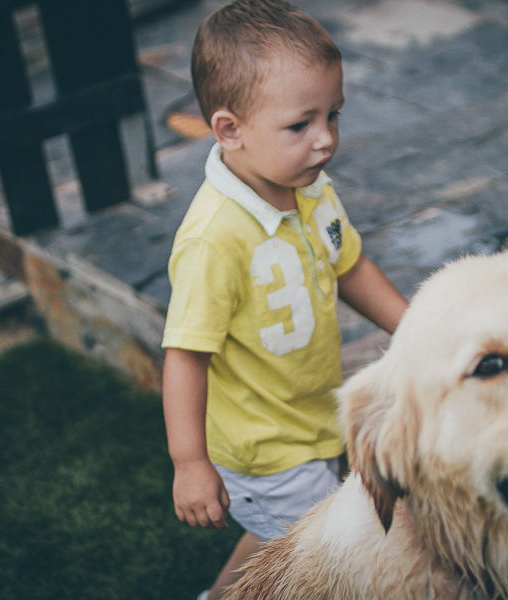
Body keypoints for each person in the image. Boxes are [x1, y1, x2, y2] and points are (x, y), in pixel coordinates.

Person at [160, 1, 408, 599]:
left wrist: (418, 328)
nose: (325, 140)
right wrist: (190, 463)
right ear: (229, 131)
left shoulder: (312, 189)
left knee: (284, 542)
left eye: (333, 116)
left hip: (310, 420)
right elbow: (185, 355)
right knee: (325, 553)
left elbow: (350, 267)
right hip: (262, 446)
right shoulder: (214, 237)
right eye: (301, 125)